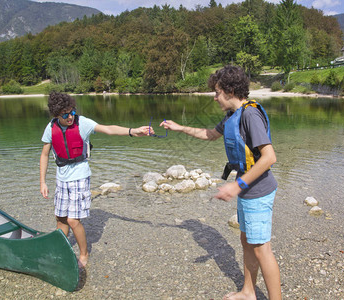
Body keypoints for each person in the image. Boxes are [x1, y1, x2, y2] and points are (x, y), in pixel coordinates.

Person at [160, 65, 281, 300]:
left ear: (231, 90)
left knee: (261, 249)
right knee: (247, 242)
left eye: (217, 92)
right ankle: (248, 291)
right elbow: (210, 134)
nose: (214, 98)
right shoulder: (232, 116)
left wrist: (237, 185)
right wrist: (178, 127)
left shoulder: (249, 115)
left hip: (257, 190)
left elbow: (269, 157)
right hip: (247, 190)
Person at [40, 92, 152, 268]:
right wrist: (42, 182)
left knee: (73, 220)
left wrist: (133, 131)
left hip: (79, 177)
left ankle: (84, 255)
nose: (70, 117)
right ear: (56, 115)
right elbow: (45, 154)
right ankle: (61, 249)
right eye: (65, 114)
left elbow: (108, 129)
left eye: (72, 112)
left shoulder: (82, 123)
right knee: (60, 218)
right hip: (61, 178)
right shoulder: (51, 127)